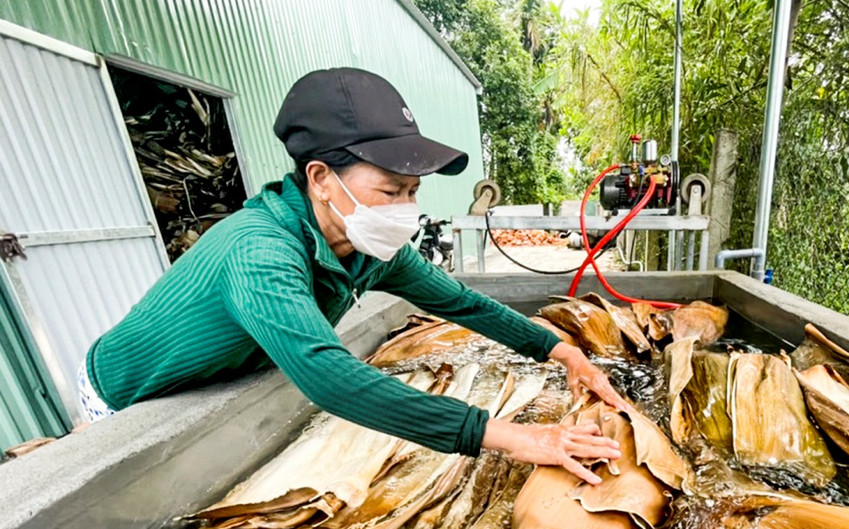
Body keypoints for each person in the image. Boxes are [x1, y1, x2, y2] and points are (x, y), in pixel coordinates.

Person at [82, 68, 626, 484]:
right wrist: (508, 436)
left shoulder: (368, 246)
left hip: (213, 376)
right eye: (390, 191)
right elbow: (331, 378)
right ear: (320, 178)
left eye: (413, 191)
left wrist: (562, 353)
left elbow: (463, 304)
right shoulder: (260, 250)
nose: (406, 209)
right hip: (125, 394)